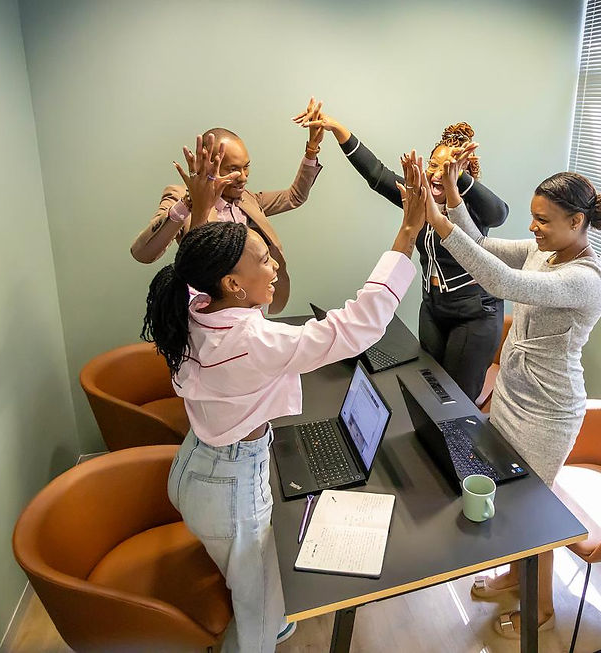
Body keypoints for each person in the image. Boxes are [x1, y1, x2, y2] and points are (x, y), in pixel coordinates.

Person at [142, 141, 426, 652]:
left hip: (194, 468)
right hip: (229, 488)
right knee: (258, 616)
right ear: (234, 283)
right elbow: (357, 326)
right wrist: (407, 231)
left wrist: (201, 207)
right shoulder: (254, 340)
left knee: (258, 596)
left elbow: (190, 267)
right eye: (262, 260)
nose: (274, 263)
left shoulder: (192, 304)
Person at [423, 159, 601, 637]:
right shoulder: (543, 252)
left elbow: (500, 282)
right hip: (513, 394)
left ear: (577, 222)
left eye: (544, 220)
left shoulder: (585, 278)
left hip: (549, 412)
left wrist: (440, 222)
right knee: (511, 498)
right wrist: (451, 196)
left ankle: (542, 608)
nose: (533, 227)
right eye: (534, 216)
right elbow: (484, 246)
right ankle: (513, 579)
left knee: (533, 512)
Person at [295, 107, 509, 401]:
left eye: (447, 168)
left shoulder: (473, 210)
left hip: (475, 315)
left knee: (455, 401)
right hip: (434, 307)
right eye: (433, 165)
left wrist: (454, 178)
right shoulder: (418, 199)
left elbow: (500, 213)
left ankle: (463, 449)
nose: (436, 174)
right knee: (429, 387)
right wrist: (337, 129)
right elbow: (376, 174)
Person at [132, 98, 326, 314]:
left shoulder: (248, 199)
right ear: (209, 165)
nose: (243, 177)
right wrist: (191, 201)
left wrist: (312, 150)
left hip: (253, 307)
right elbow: (143, 253)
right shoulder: (181, 198)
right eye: (233, 169)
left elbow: (295, 196)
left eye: (246, 168)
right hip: (208, 312)